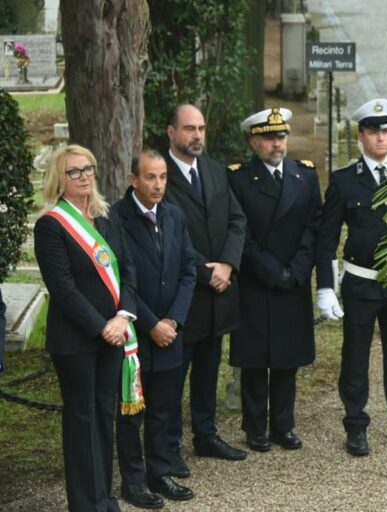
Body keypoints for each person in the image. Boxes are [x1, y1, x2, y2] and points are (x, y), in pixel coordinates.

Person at [34, 144, 138, 511]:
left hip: (113, 334)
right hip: (76, 341)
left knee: (103, 416)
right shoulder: (50, 225)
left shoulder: (106, 218)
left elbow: (128, 272)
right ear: (59, 179)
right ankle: (84, 503)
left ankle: (104, 498)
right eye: (74, 171)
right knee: (82, 421)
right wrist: (102, 327)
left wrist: (123, 317)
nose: (83, 176)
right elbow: (62, 289)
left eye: (88, 168)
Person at [316, 99, 387, 457]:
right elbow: (327, 239)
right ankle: (356, 425)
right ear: (361, 136)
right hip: (361, 282)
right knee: (355, 355)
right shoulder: (345, 182)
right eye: (374, 131)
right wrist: (327, 287)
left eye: (386, 131)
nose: (381, 138)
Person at [227, 108, 322, 453]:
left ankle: (283, 425)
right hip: (257, 281)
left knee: (286, 357)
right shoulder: (237, 179)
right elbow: (240, 233)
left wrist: (297, 270)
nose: (277, 144)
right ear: (254, 142)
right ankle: (255, 427)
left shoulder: (305, 175)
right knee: (256, 358)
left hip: (292, 281)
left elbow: (314, 226)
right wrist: (271, 270)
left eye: (281, 137)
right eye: (269, 138)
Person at [163, 104, 248, 474]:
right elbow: (167, 236)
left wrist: (228, 264)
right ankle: (167, 447)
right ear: (171, 132)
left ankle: (205, 434)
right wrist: (205, 271)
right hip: (182, 297)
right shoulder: (159, 176)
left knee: (208, 369)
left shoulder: (215, 171)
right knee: (172, 378)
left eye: (200, 128)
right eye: (188, 129)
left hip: (218, 293)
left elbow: (237, 219)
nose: (196, 135)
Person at [113, 150, 197, 509]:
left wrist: (174, 320)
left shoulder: (175, 216)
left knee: (165, 408)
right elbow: (119, 278)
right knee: (132, 413)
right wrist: (151, 324)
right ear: (134, 179)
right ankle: (133, 481)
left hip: (170, 333)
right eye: (150, 177)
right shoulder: (115, 219)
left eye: (163, 177)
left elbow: (188, 269)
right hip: (136, 334)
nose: (158, 184)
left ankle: (159, 471)